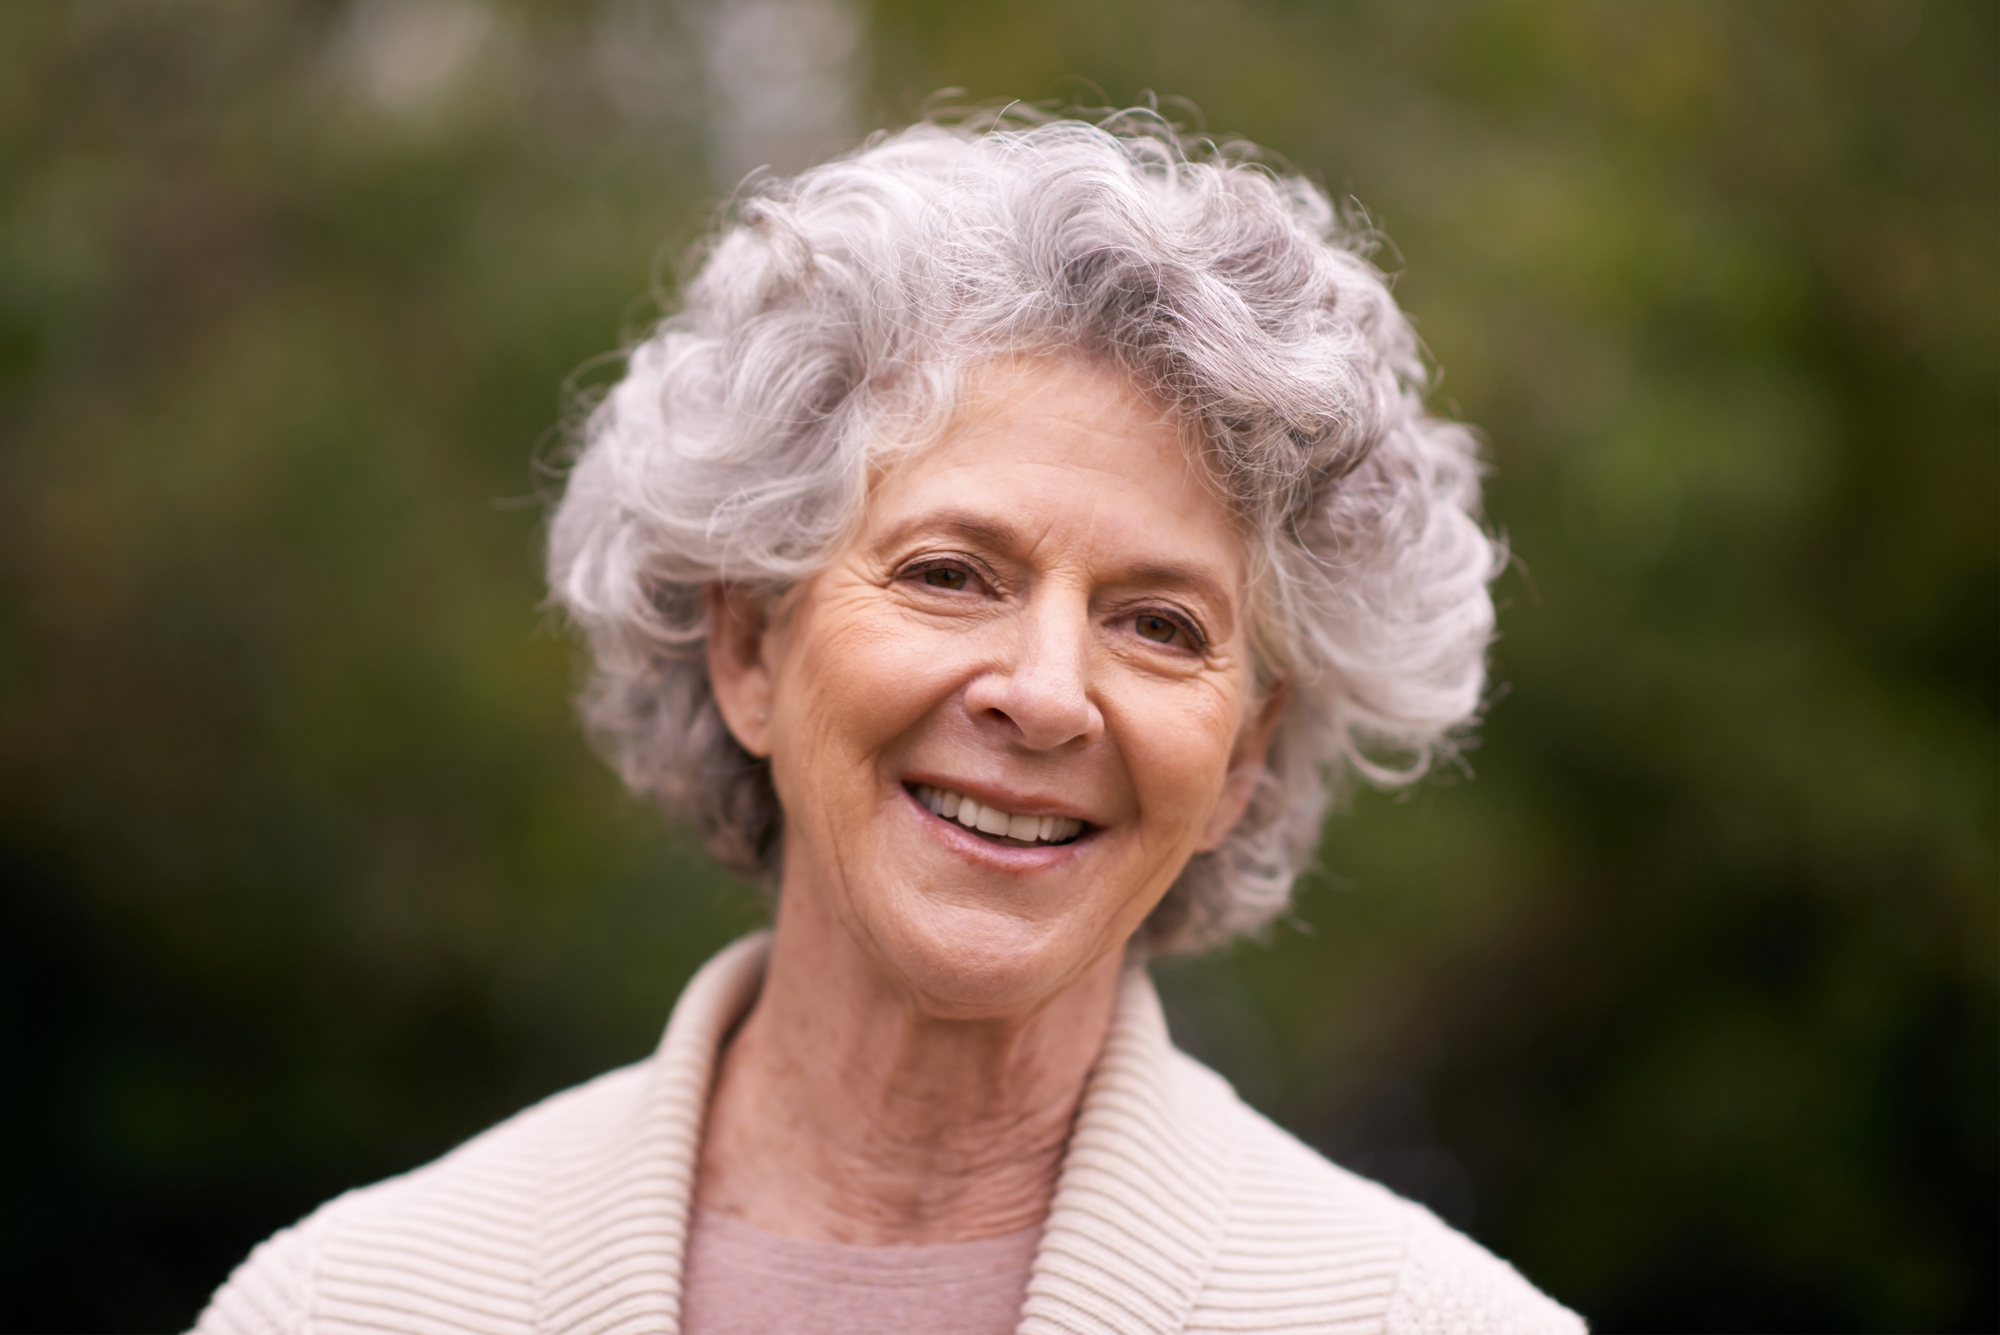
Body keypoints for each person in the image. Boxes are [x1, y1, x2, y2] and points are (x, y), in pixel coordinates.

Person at [194, 110, 1584, 1334]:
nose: (1043, 693)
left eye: (1159, 624)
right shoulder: (345, 1305)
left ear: (1243, 759)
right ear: (745, 644)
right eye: (947, 574)